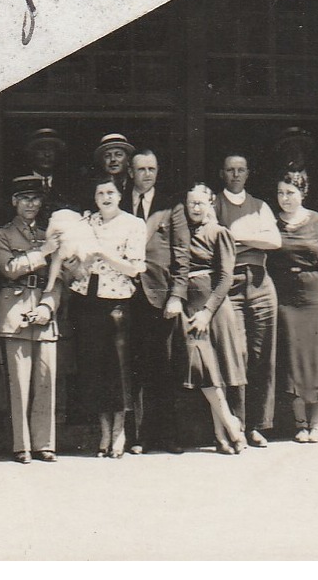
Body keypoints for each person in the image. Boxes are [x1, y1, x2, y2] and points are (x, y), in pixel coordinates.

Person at [47, 175, 147, 458]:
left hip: (116, 303)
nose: (106, 197)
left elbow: (134, 268)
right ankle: (104, 430)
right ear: (94, 197)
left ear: (120, 195)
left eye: (111, 192)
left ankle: (120, 431)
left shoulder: (133, 224)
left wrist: (104, 253)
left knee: (118, 369)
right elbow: (72, 259)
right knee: (94, 370)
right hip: (87, 301)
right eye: (100, 192)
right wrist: (74, 262)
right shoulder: (87, 223)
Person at [166, 184, 248, 454]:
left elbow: (226, 278)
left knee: (215, 373)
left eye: (201, 203)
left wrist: (206, 312)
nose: (196, 208)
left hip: (211, 309)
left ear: (211, 204)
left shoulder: (219, 233)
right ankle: (229, 425)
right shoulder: (183, 234)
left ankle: (223, 435)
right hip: (189, 308)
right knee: (204, 370)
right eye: (191, 203)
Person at [0, 175, 60, 464]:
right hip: (14, 311)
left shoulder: (48, 233)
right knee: (18, 382)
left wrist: (48, 306)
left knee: (46, 379)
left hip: (43, 311)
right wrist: (42, 252)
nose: (31, 204)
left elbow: (59, 278)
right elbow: (8, 268)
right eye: (25, 198)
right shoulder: (1, 234)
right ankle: (22, 445)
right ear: (14, 201)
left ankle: (45, 443)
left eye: (36, 198)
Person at [268, 167, 318, 443]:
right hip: (285, 298)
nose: (284, 198)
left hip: (314, 298)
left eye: (290, 193)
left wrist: (316, 279)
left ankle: (317, 425)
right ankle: (300, 423)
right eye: (280, 193)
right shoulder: (271, 221)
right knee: (293, 359)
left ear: (302, 193)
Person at [216, 153, 281, 447]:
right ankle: (237, 425)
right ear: (223, 173)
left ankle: (258, 425)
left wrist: (241, 237)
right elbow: (216, 242)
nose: (236, 174)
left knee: (262, 354)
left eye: (241, 170)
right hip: (231, 284)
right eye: (230, 170)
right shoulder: (215, 205)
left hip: (261, 282)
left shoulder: (260, 205)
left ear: (248, 173)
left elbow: (275, 241)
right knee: (237, 354)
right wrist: (254, 236)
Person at [127, 149, 183, 454]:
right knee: (133, 368)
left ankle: (168, 436)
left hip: (161, 297)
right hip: (124, 295)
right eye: (141, 169)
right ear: (131, 173)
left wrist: (177, 295)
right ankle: (137, 437)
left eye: (152, 168)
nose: (147, 174)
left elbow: (182, 253)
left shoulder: (170, 205)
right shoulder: (119, 200)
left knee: (164, 367)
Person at [20, 127, 71, 213]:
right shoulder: (20, 184)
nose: (47, 154)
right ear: (32, 153)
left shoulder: (69, 185)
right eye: (41, 149)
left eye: (52, 150)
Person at [90, 132, 137, 209]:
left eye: (118, 155)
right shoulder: (94, 188)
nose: (113, 159)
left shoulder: (136, 185)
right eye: (107, 156)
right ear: (102, 161)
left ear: (128, 159)